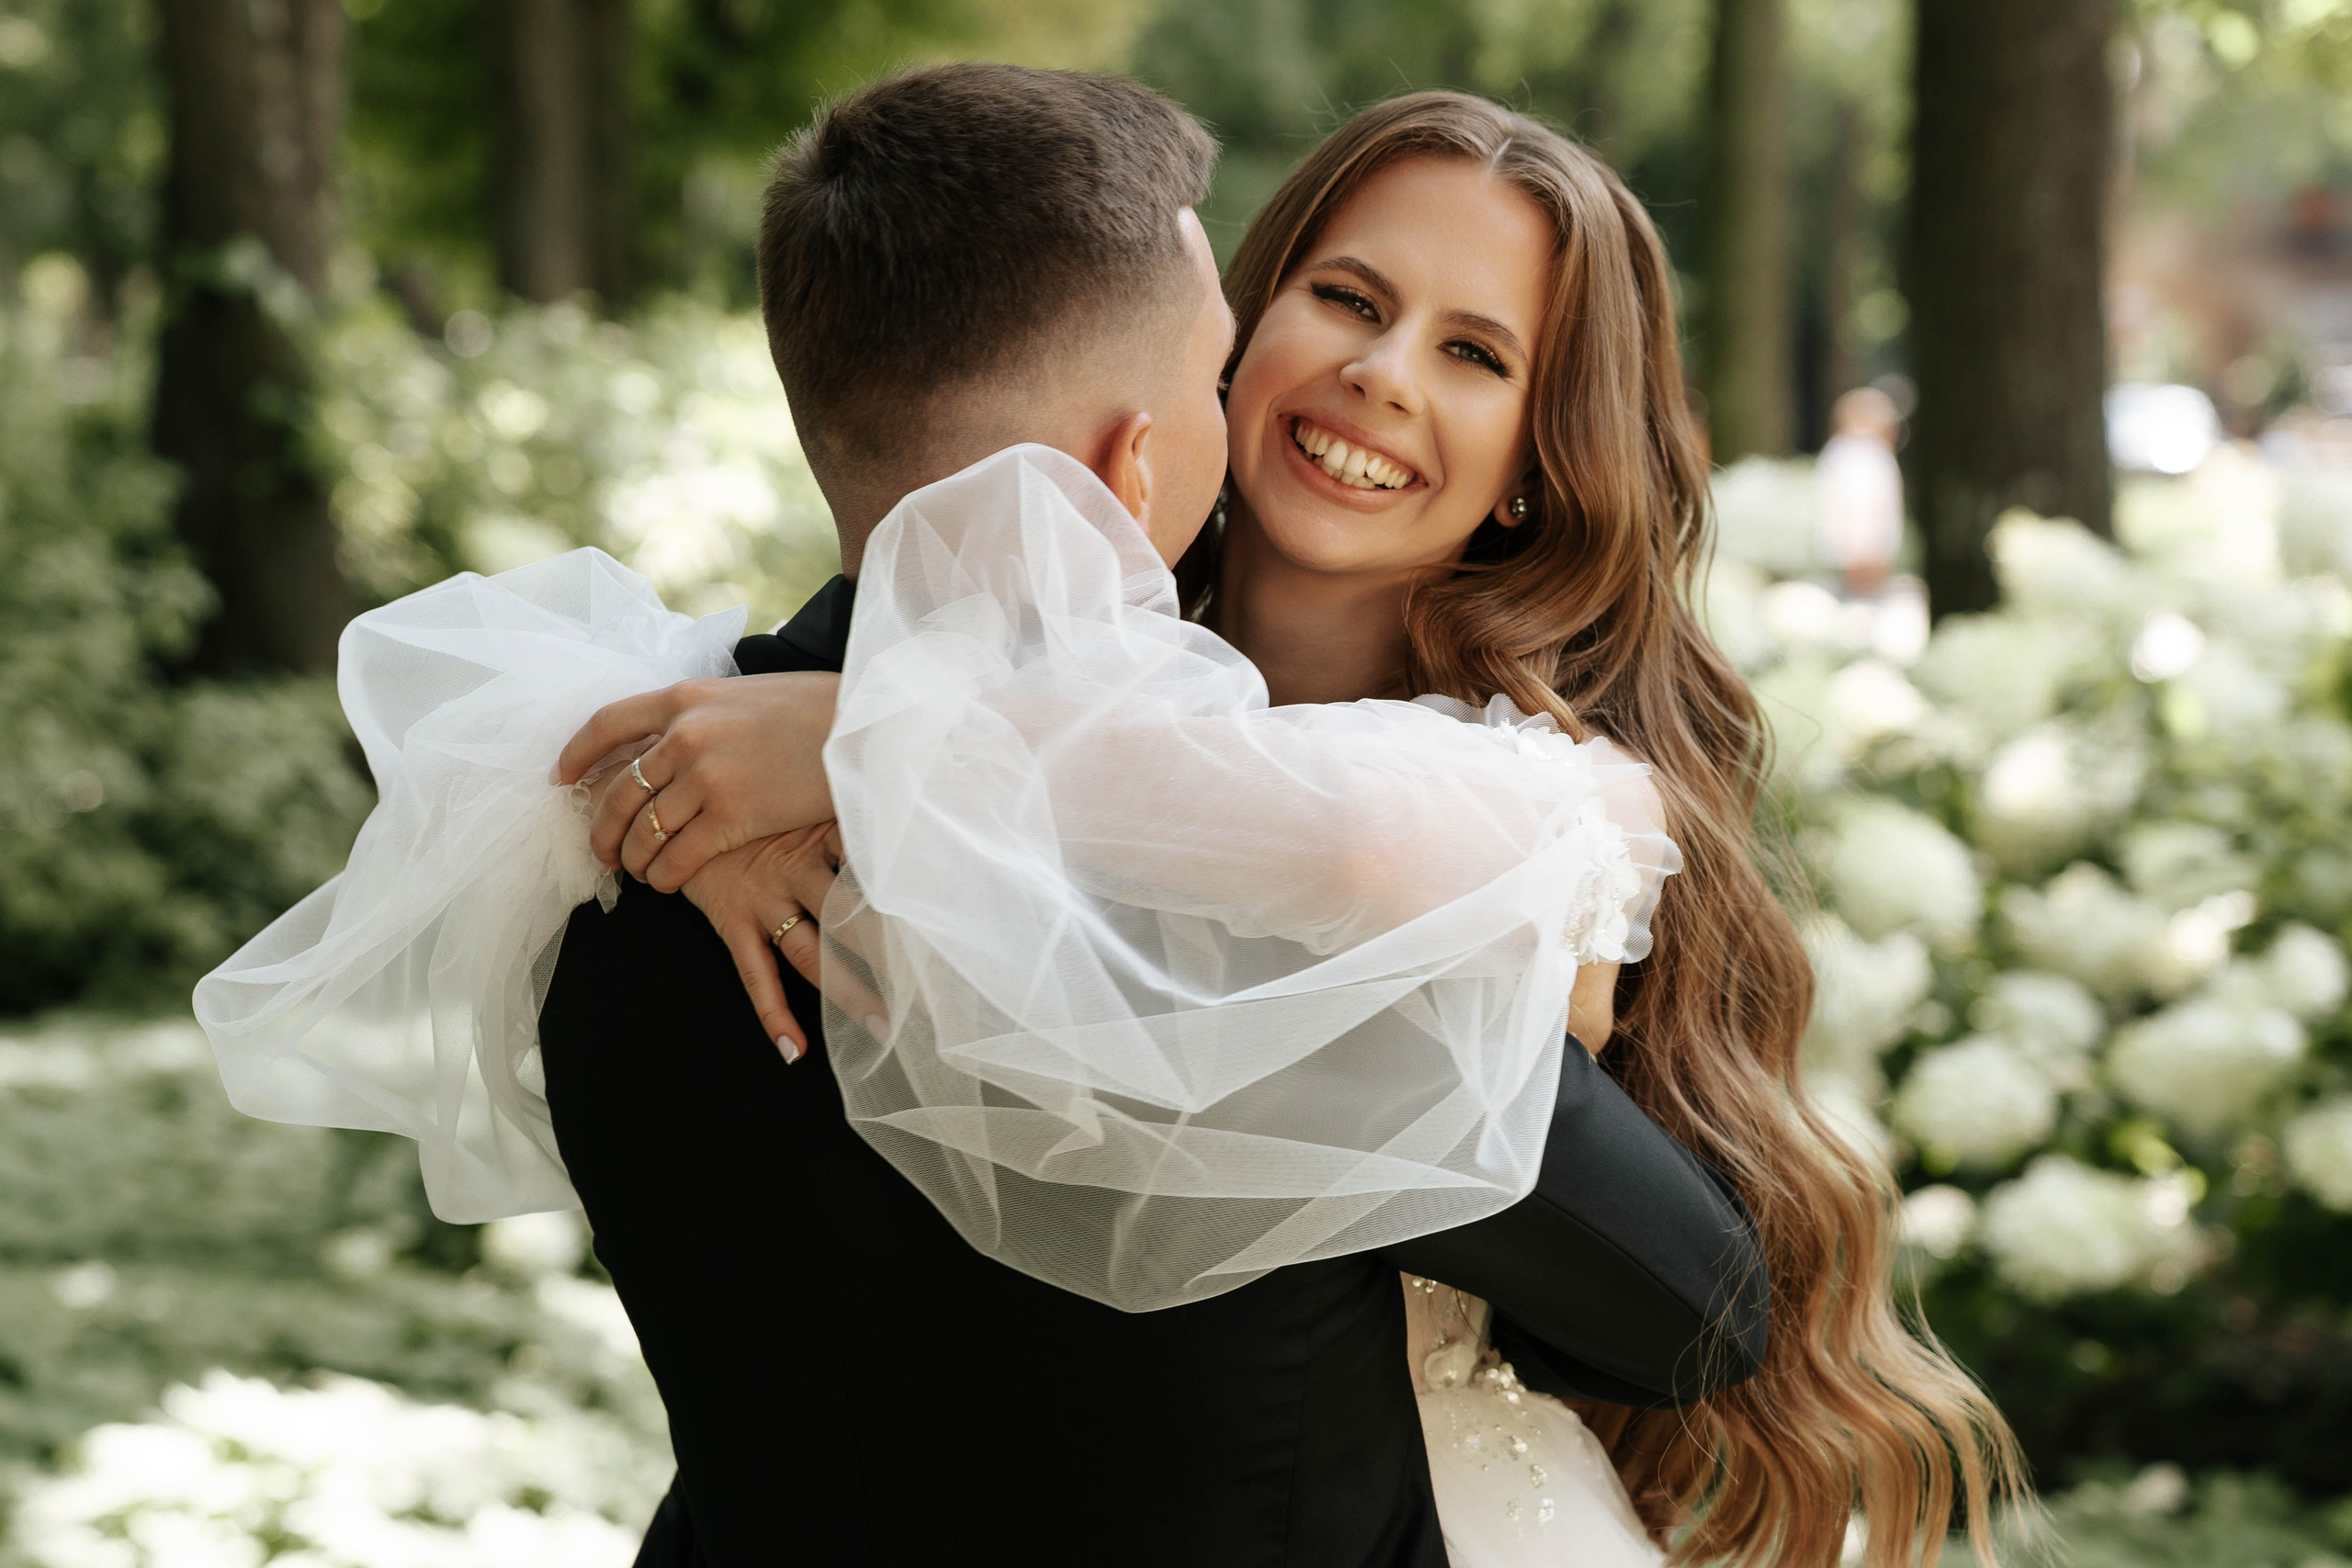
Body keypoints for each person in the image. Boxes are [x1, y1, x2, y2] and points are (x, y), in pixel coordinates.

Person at [593, 86, 2025, 1566]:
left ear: (1544, 455)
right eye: (1347, 297)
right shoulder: (851, 712)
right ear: (1227, 329)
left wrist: (876, 750)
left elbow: (1679, 1301)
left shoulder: (1517, 822)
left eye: (1474, 354)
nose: (1383, 373)